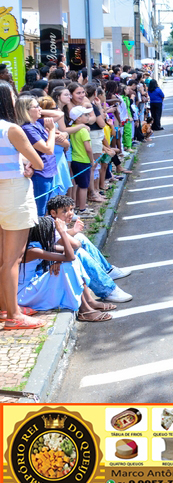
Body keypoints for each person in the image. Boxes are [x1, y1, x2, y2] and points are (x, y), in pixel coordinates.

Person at [0, 83, 47, 329]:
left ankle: (5, 307)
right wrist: (28, 166)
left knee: (3, 257)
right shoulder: (11, 129)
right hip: (13, 192)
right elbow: (38, 162)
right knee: (12, 258)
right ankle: (13, 315)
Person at [18, 216, 112, 321]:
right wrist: (62, 232)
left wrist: (59, 261)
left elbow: (72, 249)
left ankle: (88, 301)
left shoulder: (40, 245)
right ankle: (84, 310)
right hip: (23, 295)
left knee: (73, 261)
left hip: (32, 287)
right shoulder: (33, 251)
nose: (54, 235)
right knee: (68, 266)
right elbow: (70, 256)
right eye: (52, 232)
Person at [15, 96, 57, 216]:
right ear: (26, 110)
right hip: (40, 174)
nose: (40, 109)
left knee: (47, 209)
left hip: (48, 171)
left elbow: (59, 114)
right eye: (36, 106)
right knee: (39, 211)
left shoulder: (37, 123)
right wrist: (52, 131)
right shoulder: (27, 128)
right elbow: (48, 149)